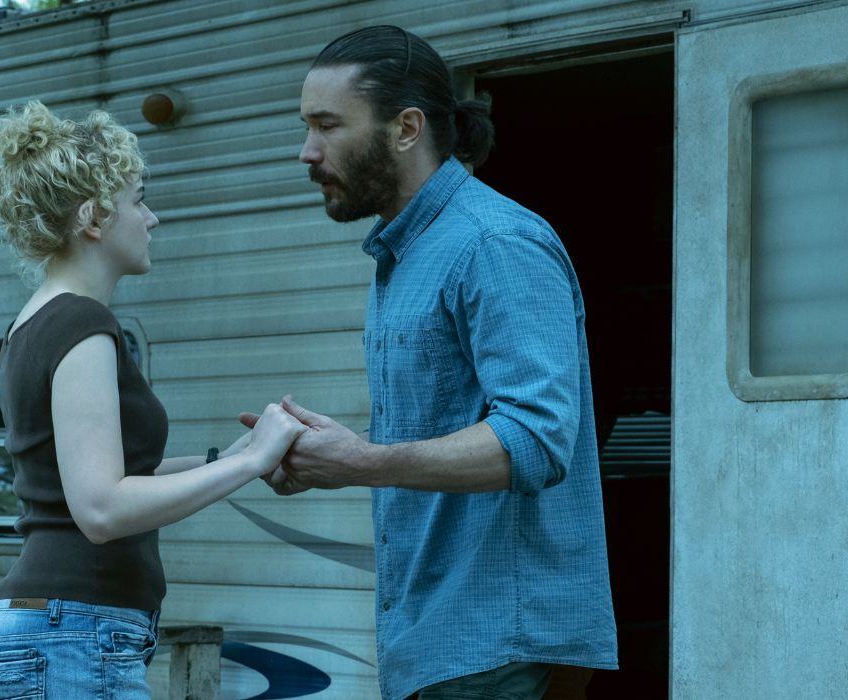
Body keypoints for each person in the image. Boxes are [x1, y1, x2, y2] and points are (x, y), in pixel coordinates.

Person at [252, 25, 618, 700]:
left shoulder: (493, 242)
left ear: (406, 128)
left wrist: (361, 461)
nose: (307, 152)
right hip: (438, 643)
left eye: (327, 126)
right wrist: (329, 455)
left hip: (497, 646)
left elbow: (535, 440)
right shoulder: (405, 253)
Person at [0, 100, 307, 700]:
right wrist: (252, 464)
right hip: (75, 632)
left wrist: (229, 457)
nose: (151, 218)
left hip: (60, 630)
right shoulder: (82, 325)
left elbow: (101, 479)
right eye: (137, 199)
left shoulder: (36, 322)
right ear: (94, 218)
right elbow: (101, 509)